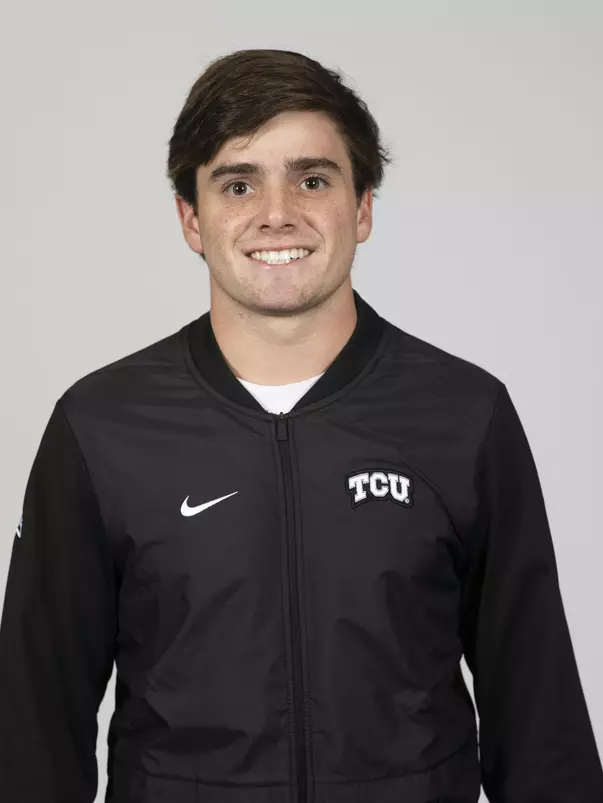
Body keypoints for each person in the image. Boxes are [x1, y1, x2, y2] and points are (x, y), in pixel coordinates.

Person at [0, 48, 601, 803]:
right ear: (191, 218)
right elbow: (31, 730)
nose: (276, 213)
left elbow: (538, 715)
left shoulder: (463, 414)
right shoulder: (101, 427)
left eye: (312, 179)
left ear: (362, 208)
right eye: (238, 183)